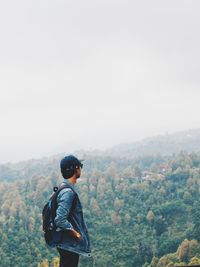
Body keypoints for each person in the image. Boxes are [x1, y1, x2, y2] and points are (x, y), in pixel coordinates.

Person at [54, 155, 91, 267]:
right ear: (75, 168)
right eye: (80, 166)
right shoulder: (68, 192)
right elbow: (59, 219)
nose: (81, 168)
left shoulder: (63, 187)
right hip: (69, 244)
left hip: (67, 243)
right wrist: (75, 233)